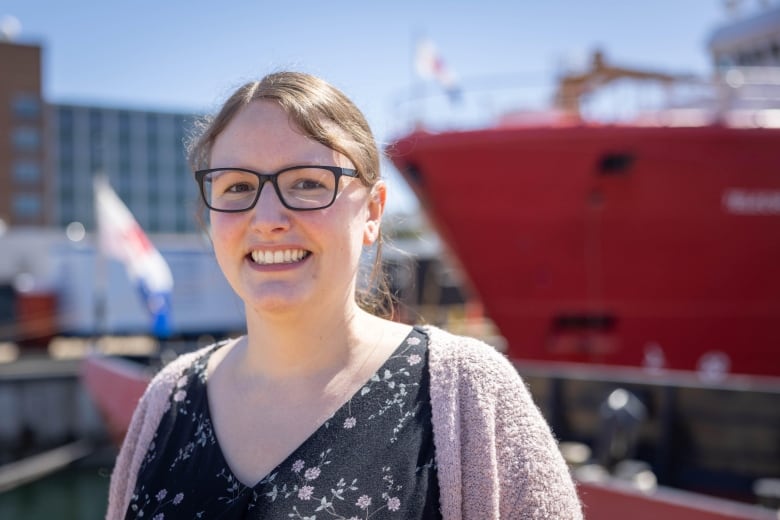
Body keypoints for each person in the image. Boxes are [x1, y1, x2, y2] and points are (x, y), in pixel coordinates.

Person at [105, 71, 582, 519]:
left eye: (308, 182)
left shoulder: (466, 393)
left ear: (373, 211)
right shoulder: (167, 400)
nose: (267, 217)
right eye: (238, 187)